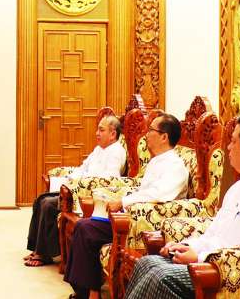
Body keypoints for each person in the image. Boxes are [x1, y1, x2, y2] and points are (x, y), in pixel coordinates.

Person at [124, 114, 240, 299]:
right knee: (147, 263)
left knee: (162, 277)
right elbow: (213, 234)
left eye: (233, 142)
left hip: (225, 274)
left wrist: (200, 258)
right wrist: (186, 246)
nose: (228, 147)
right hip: (209, 261)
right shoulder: (238, 187)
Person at [64, 113, 189, 299]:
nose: (146, 134)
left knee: (86, 228)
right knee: (84, 226)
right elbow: (142, 189)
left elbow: (158, 194)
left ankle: (90, 294)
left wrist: (123, 202)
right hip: (130, 216)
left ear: (164, 137)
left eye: (151, 130)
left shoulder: (175, 165)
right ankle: (88, 292)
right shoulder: (156, 161)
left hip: (144, 224)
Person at [25, 115, 126, 267]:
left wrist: (81, 182)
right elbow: (83, 167)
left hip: (88, 194)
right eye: (97, 130)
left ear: (112, 134)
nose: (97, 133)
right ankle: (36, 248)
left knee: (48, 204)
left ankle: (45, 254)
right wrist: (70, 179)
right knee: (41, 199)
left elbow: (110, 179)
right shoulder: (99, 149)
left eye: (101, 130)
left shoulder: (116, 152)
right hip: (77, 187)